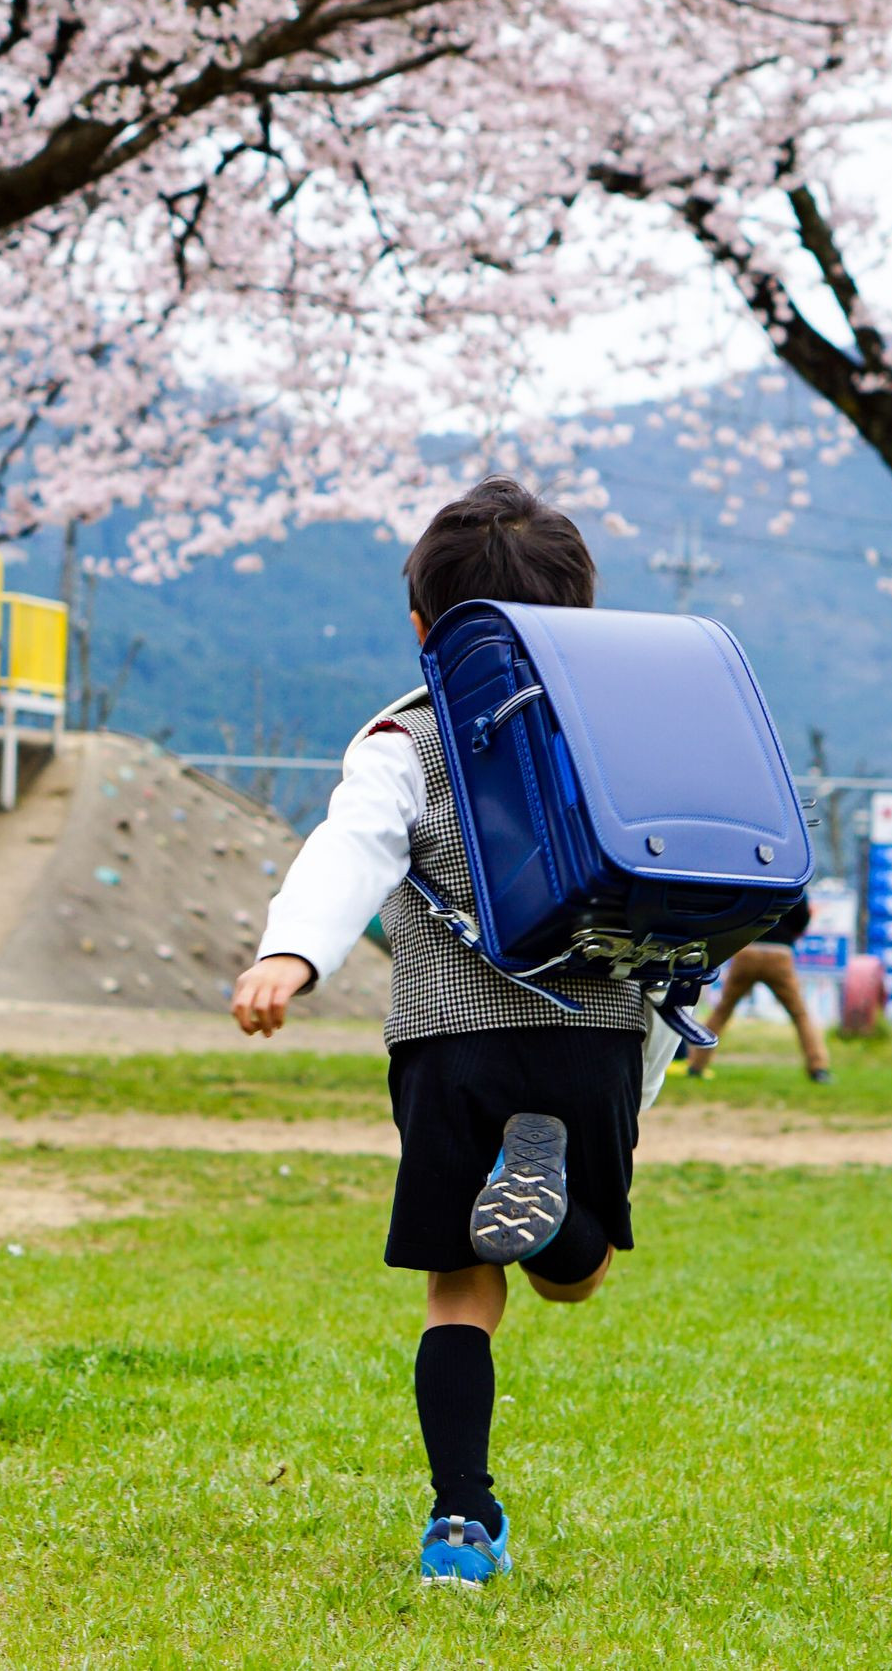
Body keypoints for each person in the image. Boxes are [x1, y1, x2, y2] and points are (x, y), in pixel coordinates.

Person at [229, 475, 681, 1588]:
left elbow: (351, 845)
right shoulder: (623, 741)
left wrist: (293, 951)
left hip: (450, 1041)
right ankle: (560, 1217)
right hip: (594, 1038)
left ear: (423, 626)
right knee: (575, 1279)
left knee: (457, 1289)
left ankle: (461, 1520)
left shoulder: (407, 738)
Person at [681, 889, 834, 1083]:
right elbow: (802, 918)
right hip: (779, 953)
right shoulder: (793, 881)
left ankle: (696, 1064)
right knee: (800, 1014)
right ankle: (818, 1068)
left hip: (747, 949)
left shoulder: (753, 879)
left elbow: (734, 911)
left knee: (723, 1010)